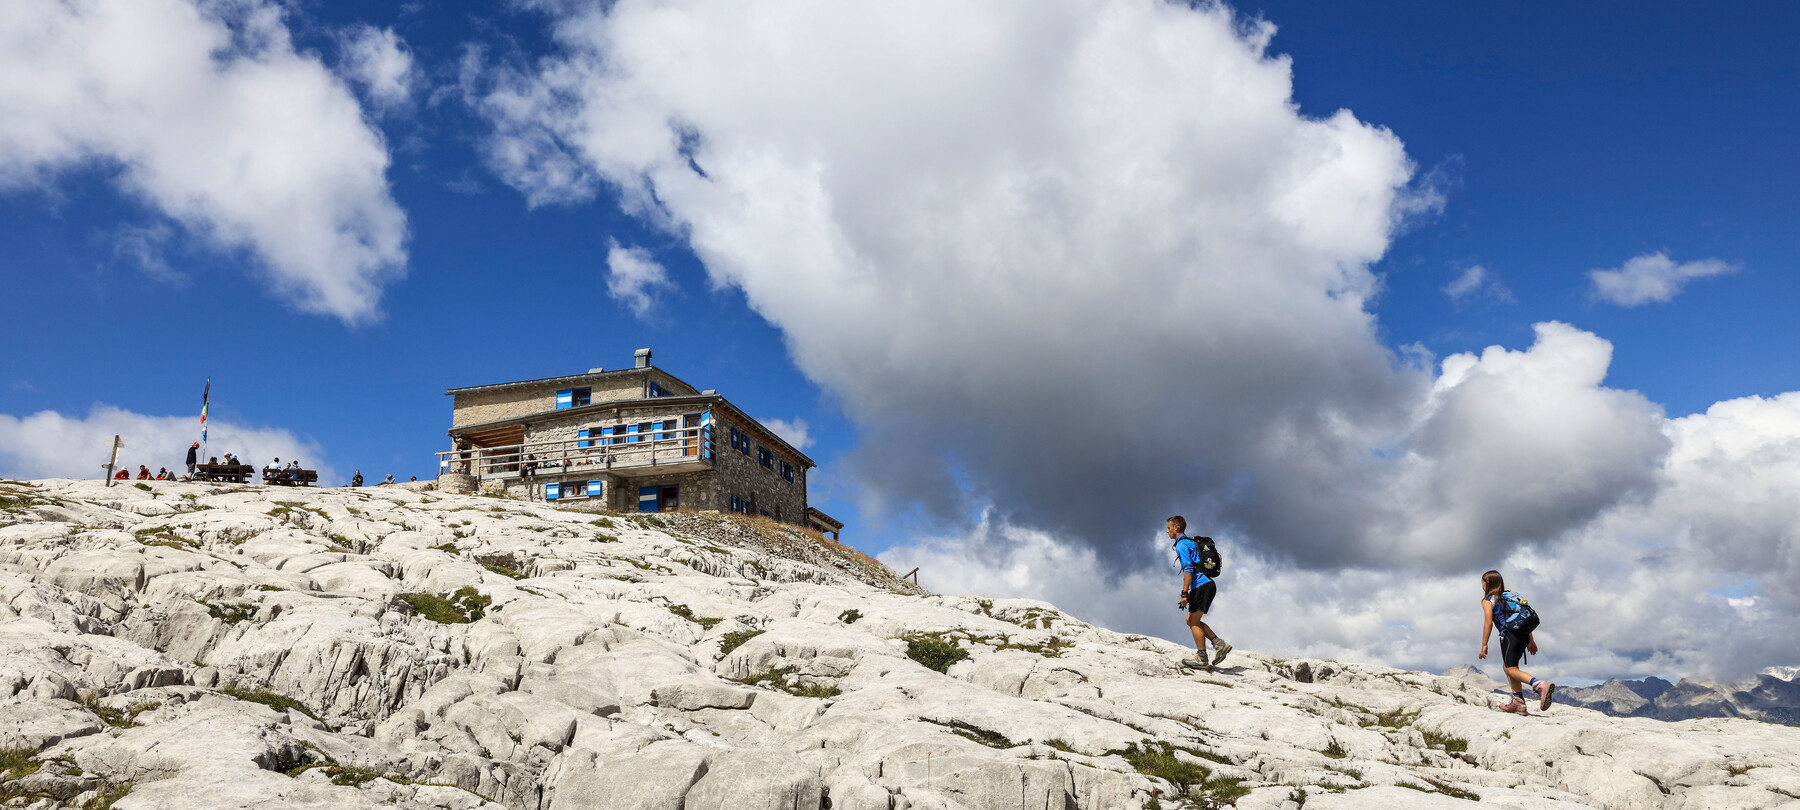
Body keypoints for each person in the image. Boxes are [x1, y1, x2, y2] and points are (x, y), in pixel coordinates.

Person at [1479, 569, 1554, 715]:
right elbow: (1521, 617)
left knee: (1511, 669)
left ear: (1487, 583)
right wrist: (1531, 640)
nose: (1481, 585)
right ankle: (1518, 703)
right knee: (1509, 667)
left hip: (1509, 635)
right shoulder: (1510, 594)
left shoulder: (1488, 600)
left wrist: (1484, 645)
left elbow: (1488, 622)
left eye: (1482, 582)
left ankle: (1539, 685)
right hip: (1523, 634)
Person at [1169, 516, 1231, 672]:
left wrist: (1184, 593)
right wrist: (1191, 590)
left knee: (1194, 621)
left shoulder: (1182, 545)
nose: (1167, 531)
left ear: (1177, 528)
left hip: (1203, 586)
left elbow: (1189, 570)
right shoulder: (1190, 542)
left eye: (1169, 528)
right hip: (1205, 585)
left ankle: (1202, 658)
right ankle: (1218, 643)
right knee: (1190, 620)